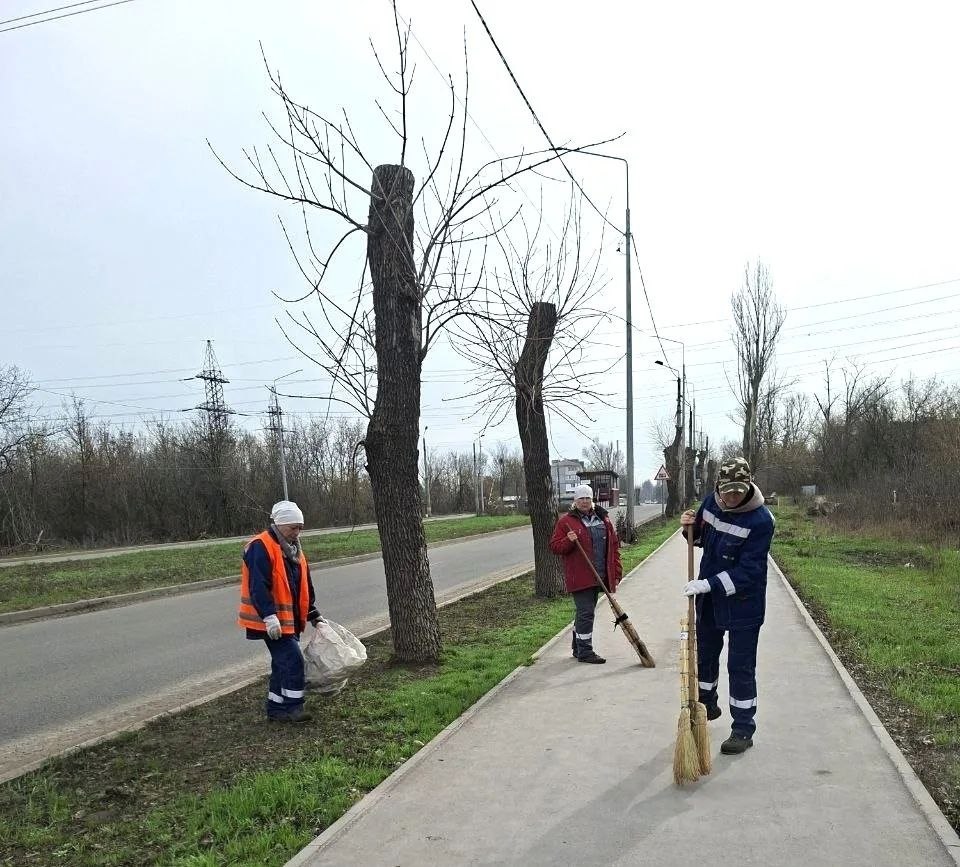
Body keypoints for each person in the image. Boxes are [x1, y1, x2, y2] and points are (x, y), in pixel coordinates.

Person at [680, 457, 775, 755]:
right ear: (718, 487)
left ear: (749, 486)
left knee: (740, 665)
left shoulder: (761, 521)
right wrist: (688, 528)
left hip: (744, 604)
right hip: (709, 601)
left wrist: (708, 584)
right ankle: (706, 705)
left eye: (739, 490)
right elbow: (700, 538)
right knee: (705, 656)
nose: (732, 496)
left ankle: (743, 729)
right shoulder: (711, 502)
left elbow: (750, 571)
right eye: (727, 490)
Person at [237, 500, 322, 723]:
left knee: (281, 663)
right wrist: (269, 616)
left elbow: (302, 585)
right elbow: (258, 585)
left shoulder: (294, 549)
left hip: (289, 620)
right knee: (293, 661)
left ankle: (275, 708)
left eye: (300, 528)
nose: (297, 532)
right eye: (293, 527)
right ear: (280, 524)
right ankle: (294, 707)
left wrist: (313, 614)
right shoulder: (260, 546)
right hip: (271, 622)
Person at [549, 483, 623, 664]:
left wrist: (616, 572)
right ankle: (585, 651)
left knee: (584, 612)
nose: (584, 501)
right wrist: (568, 540)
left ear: (592, 500)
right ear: (575, 501)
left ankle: (577, 648)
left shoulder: (603, 519)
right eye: (580, 498)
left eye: (587, 498)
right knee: (586, 613)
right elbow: (555, 547)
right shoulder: (566, 522)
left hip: (600, 574)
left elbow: (613, 546)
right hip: (580, 576)